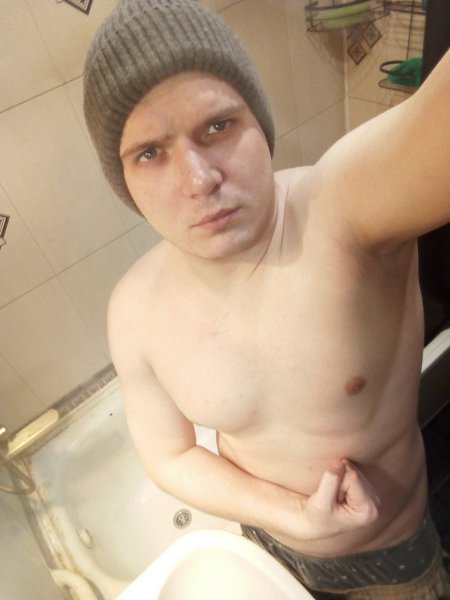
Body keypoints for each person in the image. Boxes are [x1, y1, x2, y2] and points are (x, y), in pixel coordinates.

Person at [83, 1, 450, 598]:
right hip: (265, 544)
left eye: (218, 127)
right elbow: (170, 456)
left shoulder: (343, 213)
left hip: (390, 552)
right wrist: (292, 517)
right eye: (150, 153)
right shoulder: (134, 310)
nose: (199, 180)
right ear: (123, 179)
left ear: (259, 120)